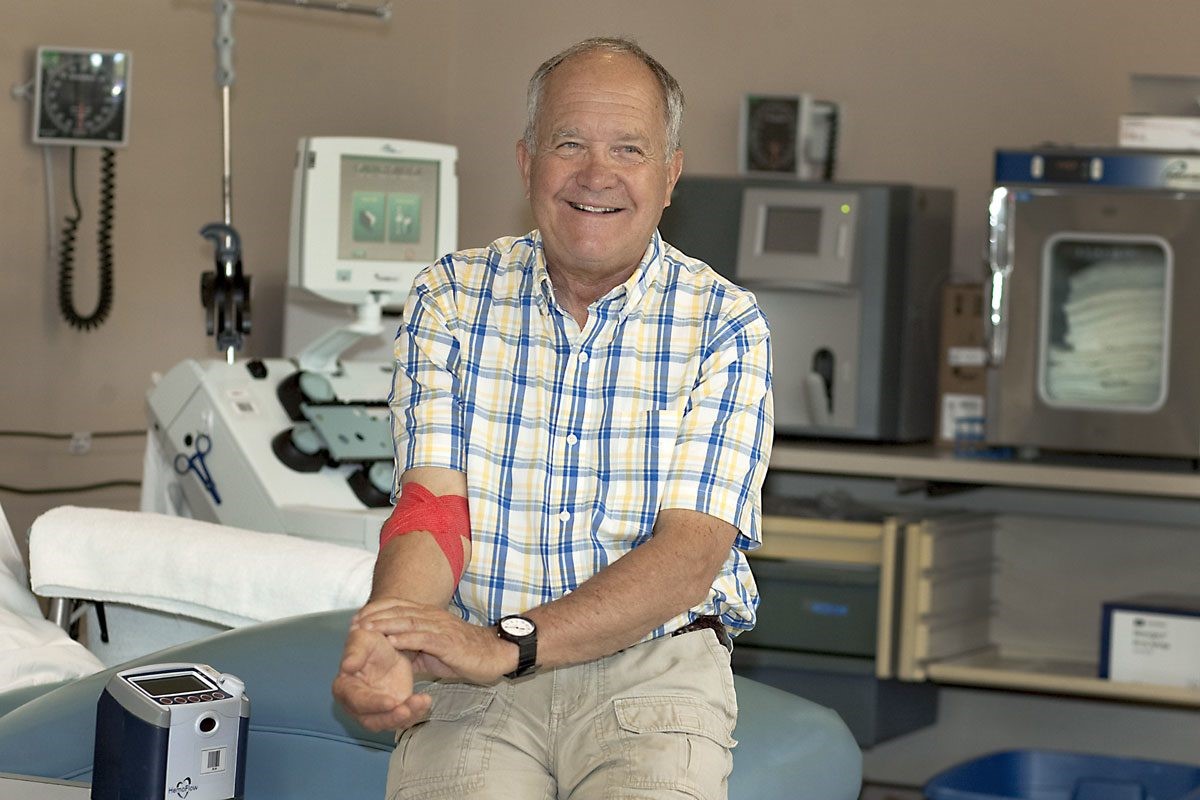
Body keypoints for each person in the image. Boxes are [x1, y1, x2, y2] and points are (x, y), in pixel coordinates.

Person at [333, 35, 774, 800]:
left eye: (629, 149)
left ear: (669, 175)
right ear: (526, 159)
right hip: (474, 675)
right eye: (569, 144)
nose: (596, 175)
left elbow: (690, 556)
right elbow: (434, 509)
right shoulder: (452, 297)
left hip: (652, 669)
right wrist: (395, 630)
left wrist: (507, 646)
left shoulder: (723, 324)